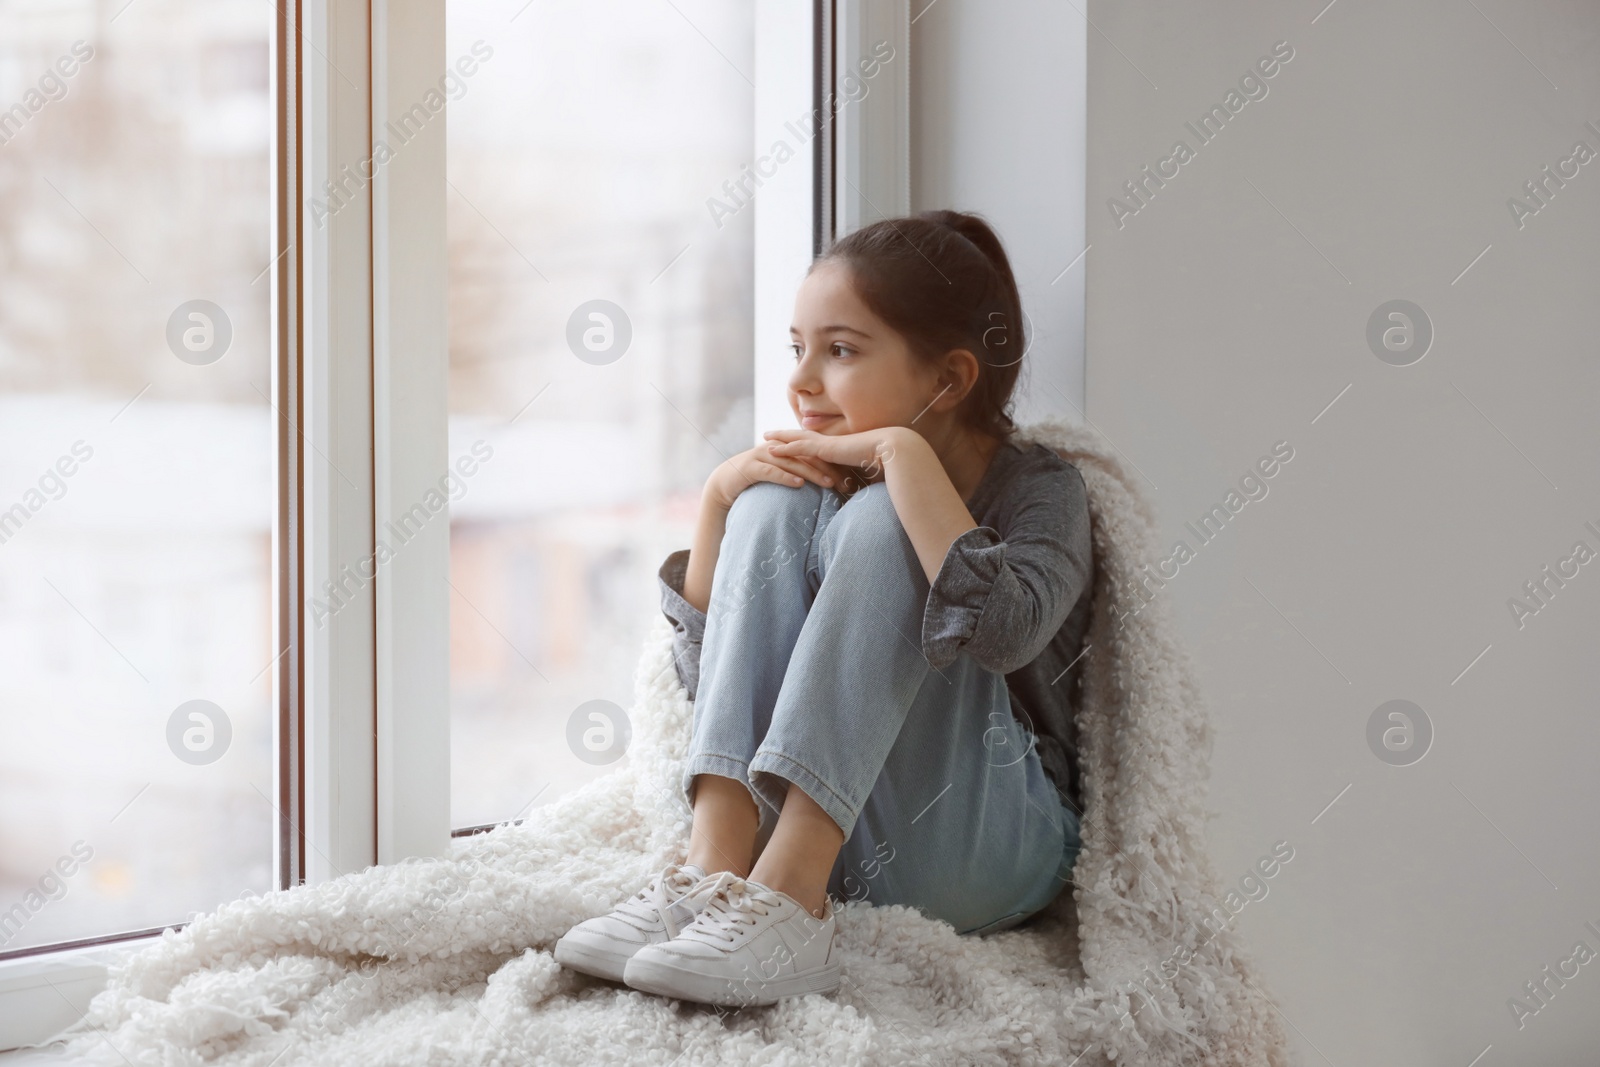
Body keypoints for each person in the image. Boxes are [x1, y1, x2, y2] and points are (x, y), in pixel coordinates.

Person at [555, 210, 1093, 1009]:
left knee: (888, 518)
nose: (803, 381)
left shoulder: (1044, 489)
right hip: (849, 836)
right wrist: (719, 499)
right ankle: (715, 873)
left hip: (989, 842)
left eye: (839, 350)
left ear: (948, 379)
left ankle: (790, 898)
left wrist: (903, 461)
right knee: (768, 499)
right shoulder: (809, 486)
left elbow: (1007, 636)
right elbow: (714, 689)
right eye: (798, 348)